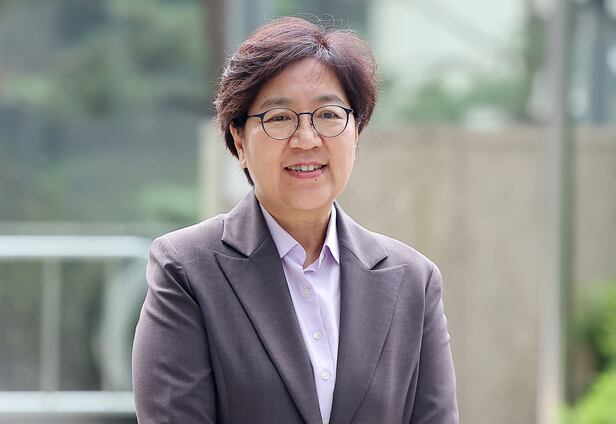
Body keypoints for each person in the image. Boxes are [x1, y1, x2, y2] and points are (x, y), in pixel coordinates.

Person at [132, 16, 458, 424]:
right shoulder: (186, 269)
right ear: (239, 140)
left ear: (356, 131)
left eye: (328, 115)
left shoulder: (413, 281)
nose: (306, 139)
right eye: (280, 118)